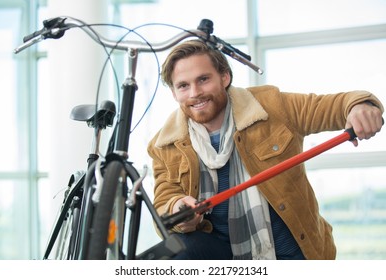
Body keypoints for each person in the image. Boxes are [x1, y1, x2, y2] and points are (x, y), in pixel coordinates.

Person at [147, 39, 384, 260]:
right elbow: (164, 205)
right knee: (171, 249)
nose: (195, 93)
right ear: (174, 93)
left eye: (203, 79)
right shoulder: (164, 145)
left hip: (294, 255)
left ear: (225, 77)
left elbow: (337, 105)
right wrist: (177, 210)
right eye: (183, 86)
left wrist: (360, 107)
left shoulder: (271, 106)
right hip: (224, 259)